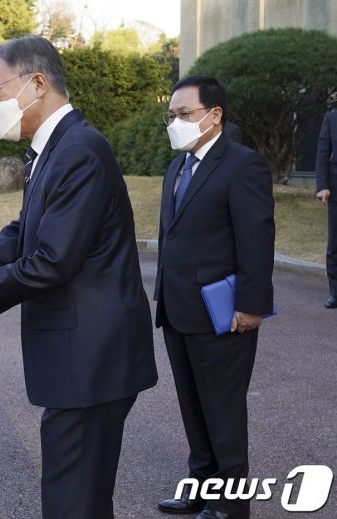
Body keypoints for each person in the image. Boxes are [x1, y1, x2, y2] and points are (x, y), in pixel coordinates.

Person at [0, 35, 158, 519]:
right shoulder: (52, 147)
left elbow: (53, 259)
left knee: (74, 500)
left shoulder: (79, 149)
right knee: (76, 495)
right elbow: (23, 230)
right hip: (81, 358)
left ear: (37, 83)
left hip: (92, 358)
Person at [154, 76, 274, 519]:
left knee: (223, 411)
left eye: (184, 115)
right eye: (172, 116)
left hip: (222, 313)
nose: (176, 123)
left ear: (214, 114)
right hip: (177, 309)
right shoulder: (177, 167)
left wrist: (252, 304)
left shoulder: (243, 165)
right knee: (192, 406)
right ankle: (200, 486)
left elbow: (257, 240)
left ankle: (231, 504)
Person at [315, 103, 337, 309]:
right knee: (335, 245)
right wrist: (322, 186)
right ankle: (335, 292)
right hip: (336, 190)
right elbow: (323, 152)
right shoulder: (331, 117)